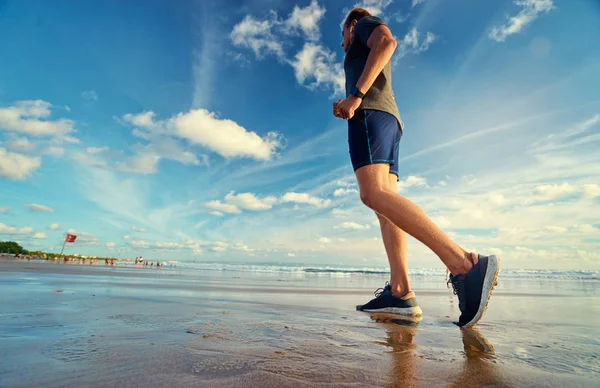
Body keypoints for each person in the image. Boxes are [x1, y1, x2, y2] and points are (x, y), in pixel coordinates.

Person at [335, 8, 499, 328]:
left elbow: (386, 42)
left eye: (342, 35)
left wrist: (355, 96)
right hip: (388, 120)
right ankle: (401, 292)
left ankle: (465, 264)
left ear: (352, 25)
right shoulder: (359, 41)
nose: (342, 44)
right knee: (386, 207)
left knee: (372, 194)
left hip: (370, 113)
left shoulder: (364, 25)